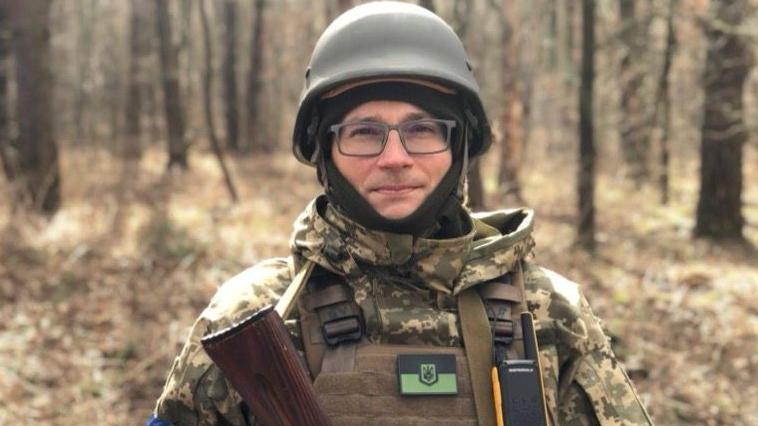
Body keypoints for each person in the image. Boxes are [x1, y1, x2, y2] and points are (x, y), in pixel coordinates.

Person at [149, 2, 653, 425]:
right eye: (364, 132)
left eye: (423, 129)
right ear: (325, 152)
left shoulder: (548, 313)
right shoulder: (252, 319)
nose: (395, 157)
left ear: (460, 147)